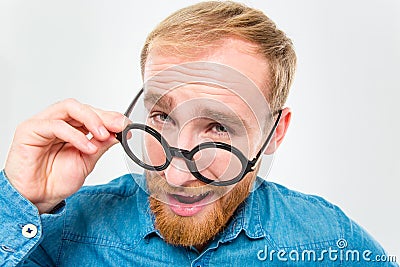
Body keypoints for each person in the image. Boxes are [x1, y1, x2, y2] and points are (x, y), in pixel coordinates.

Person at [0, 1, 397, 266]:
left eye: (218, 128)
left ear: (275, 133)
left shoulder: (326, 241)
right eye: (161, 117)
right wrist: (16, 198)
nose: (174, 177)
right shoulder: (61, 232)